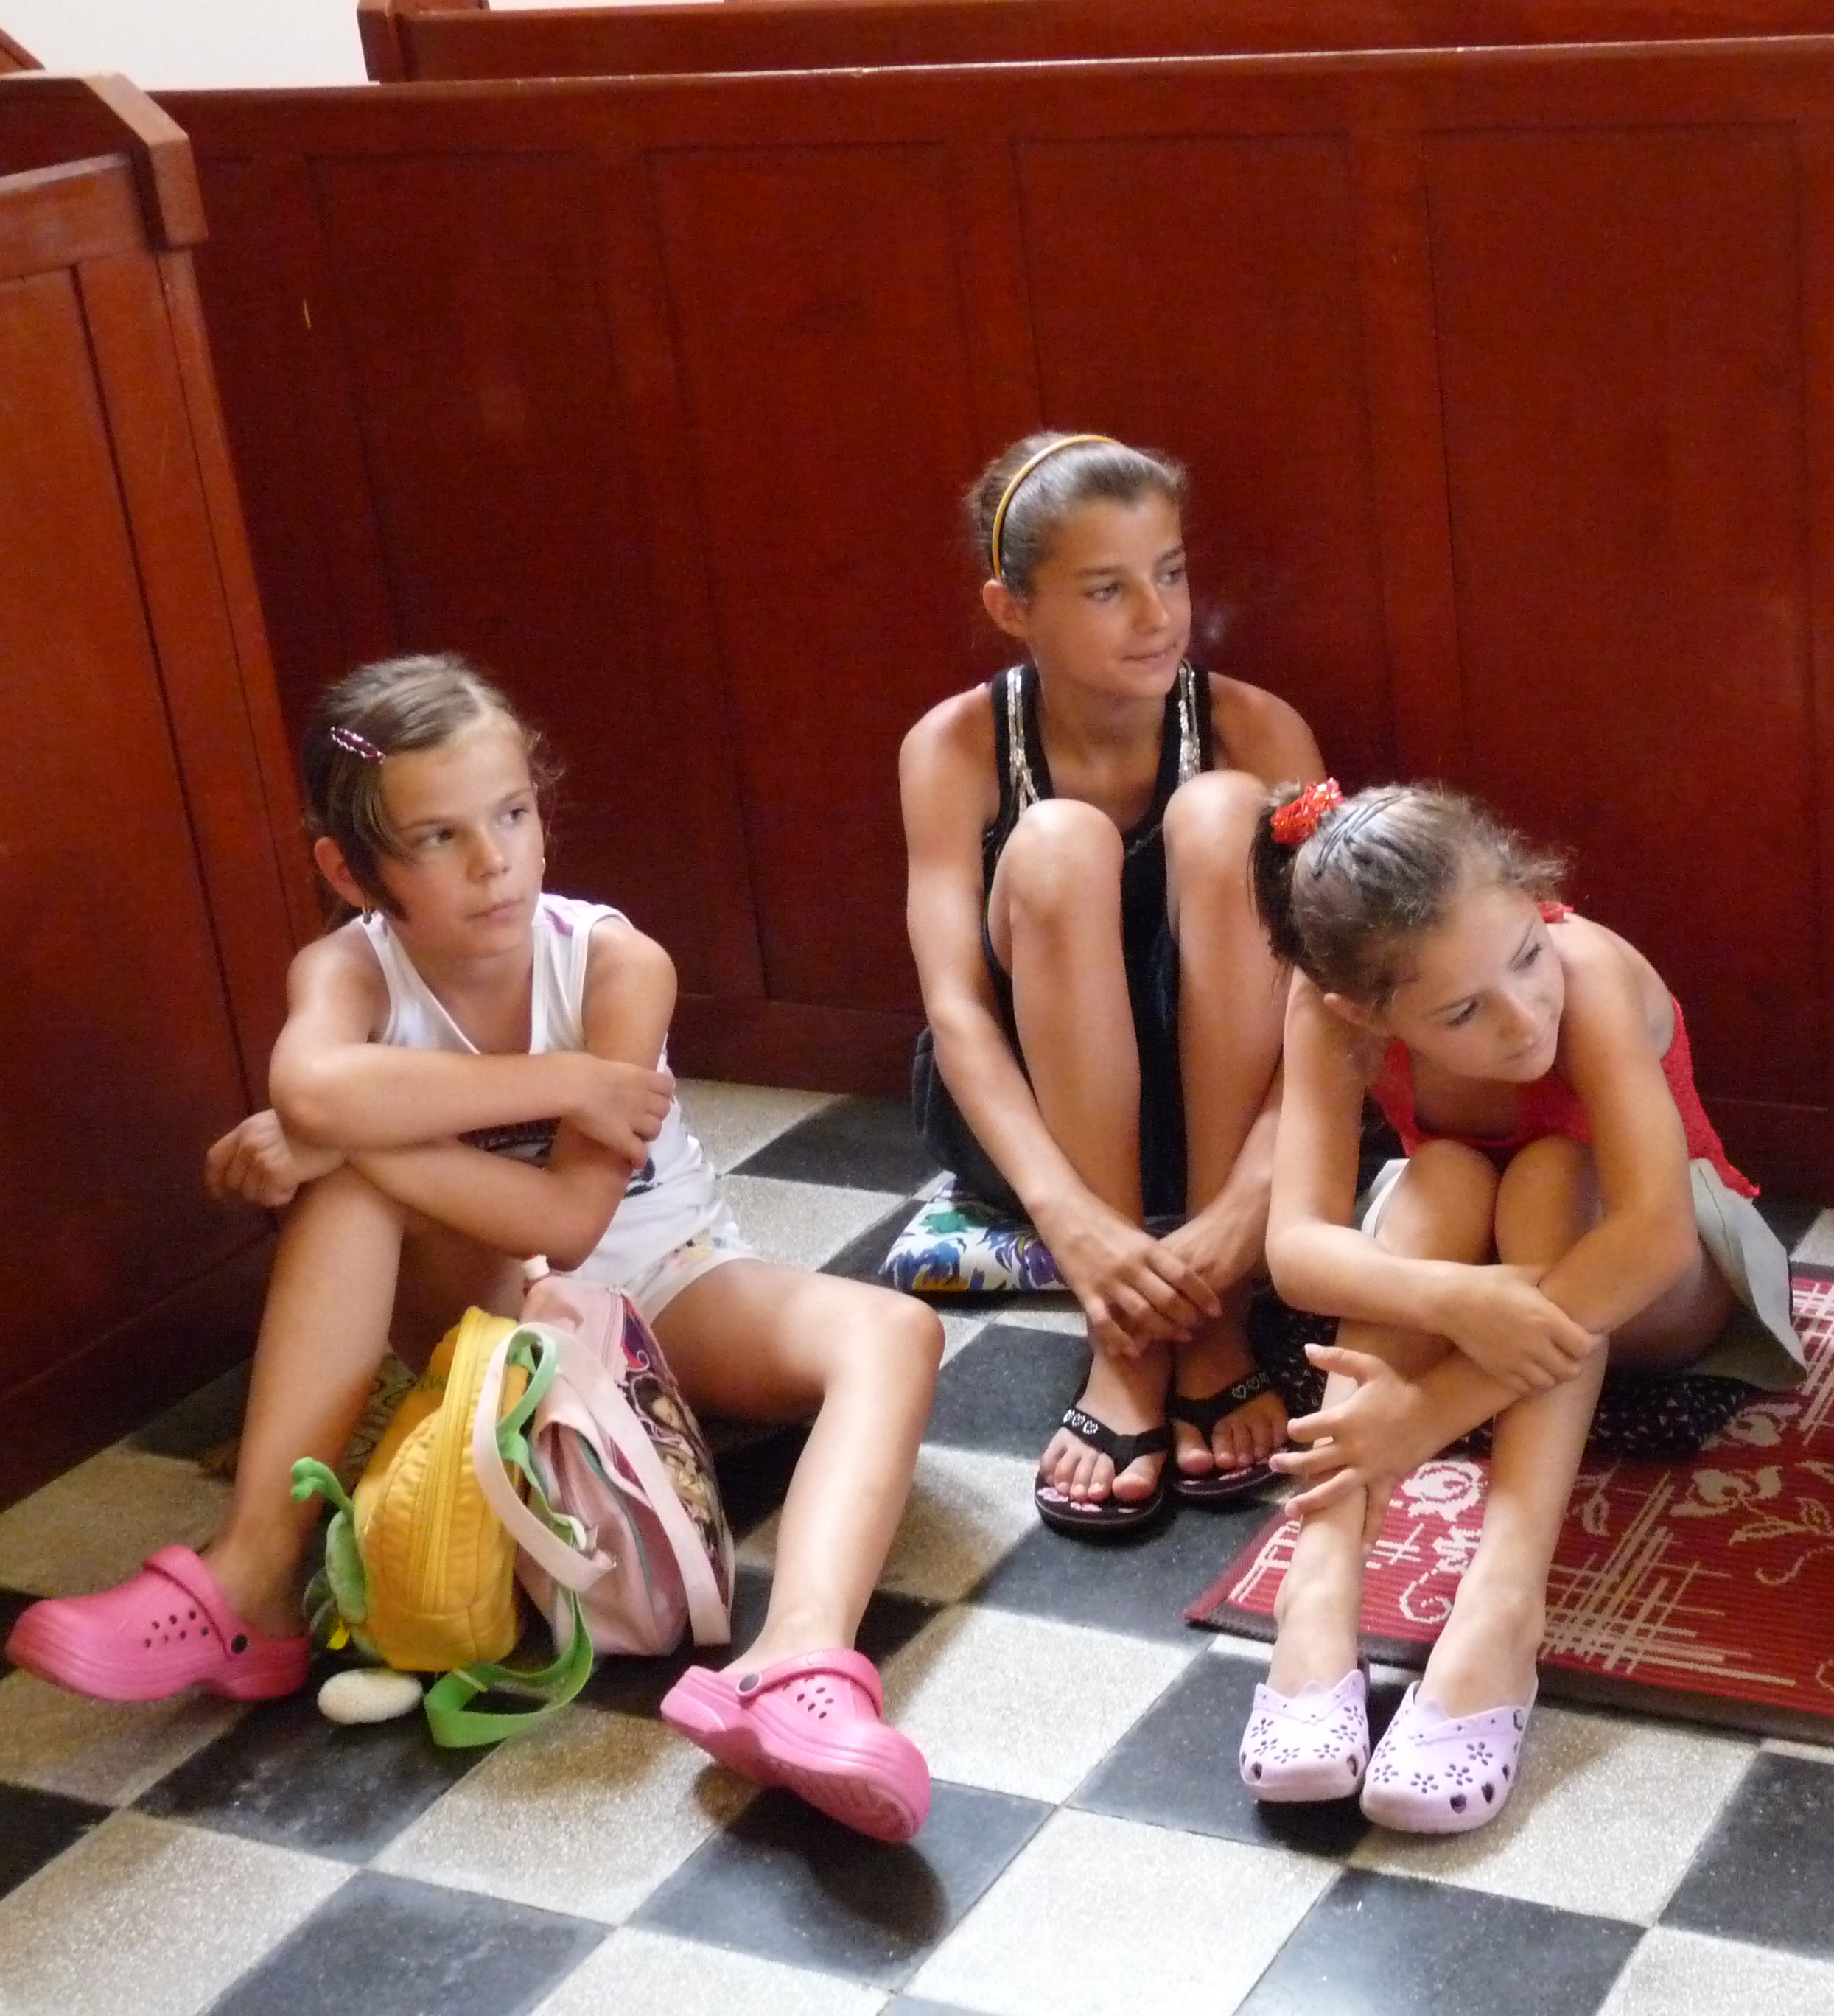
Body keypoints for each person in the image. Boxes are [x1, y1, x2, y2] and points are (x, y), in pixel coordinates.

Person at [7, 654, 943, 1843]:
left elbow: (571, 1220)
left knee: (896, 1332)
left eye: (511, 815)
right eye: (437, 837)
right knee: (350, 1194)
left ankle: (797, 1662)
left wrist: (351, 1136)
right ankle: (252, 1583)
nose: (493, 861)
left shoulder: (616, 963)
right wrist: (559, 1085)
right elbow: (312, 1087)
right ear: (350, 870)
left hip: (668, 1279)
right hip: (482, 1309)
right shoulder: (348, 968)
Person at [1242, 781, 1801, 1832]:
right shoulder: (1325, 1011)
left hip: (1668, 1281)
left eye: (1526, 957)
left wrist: (1427, 1413)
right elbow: (1297, 1251)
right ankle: (1319, 1579)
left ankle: (1503, 1605)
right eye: (1462, 1012)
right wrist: (1460, 1294)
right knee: (1445, 1175)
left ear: (1535, 899)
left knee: (1550, 1173)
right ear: (1364, 1011)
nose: (1522, 1012)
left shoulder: (1588, 974)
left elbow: (1652, 1237)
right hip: (1494, 1282)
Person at [899, 433, 1322, 1533]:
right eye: (1106, 589)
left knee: (1225, 812)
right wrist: (1069, 1225)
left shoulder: (1256, 727)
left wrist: (1249, 1210)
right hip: (1036, 1134)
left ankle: (1214, 1317)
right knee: (1056, 841)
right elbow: (956, 1011)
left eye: (1169, 572)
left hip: (1233, 1122)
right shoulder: (953, 747)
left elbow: (1339, 1001)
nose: (1158, 614)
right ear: (1013, 609)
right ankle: (1126, 1342)